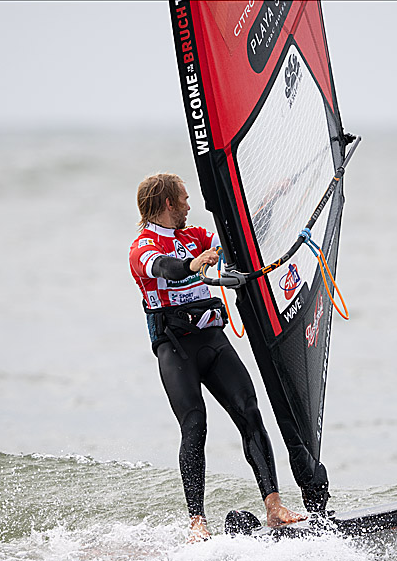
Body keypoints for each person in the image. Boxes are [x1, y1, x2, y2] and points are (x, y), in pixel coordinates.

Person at [128, 172, 306, 542]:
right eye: (185, 199)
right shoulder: (141, 248)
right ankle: (197, 522)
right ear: (168, 204)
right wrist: (194, 265)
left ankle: (273, 507)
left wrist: (269, 203)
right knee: (195, 425)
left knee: (250, 410)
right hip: (176, 349)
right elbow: (166, 269)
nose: (190, 205)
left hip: (212, 339)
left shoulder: (195, 236)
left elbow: (237, 243)